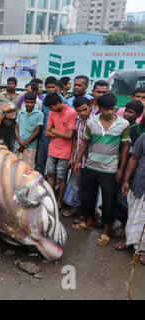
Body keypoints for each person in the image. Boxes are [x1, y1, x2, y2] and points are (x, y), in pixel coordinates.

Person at [72, 93, 130, 247]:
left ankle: (105, 232)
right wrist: (77, 161)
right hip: (90, 167)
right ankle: (89, 222)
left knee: (108, 202)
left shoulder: (123, 124)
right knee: (88, 198)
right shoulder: (91, 122)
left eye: (112, 108)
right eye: (106, 109)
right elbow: (85, 143)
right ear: (100, 108)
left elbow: (125, 148)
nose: (110, 112)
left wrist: (120, 170)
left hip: (110, 170)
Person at [115, 133, 145, 265]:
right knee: (134, 213)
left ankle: (142, 250)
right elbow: (134, 158)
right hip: (140, 183)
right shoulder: (143, 137)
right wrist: (126, 180)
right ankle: (129, 240)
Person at [44, 93, 77, 210]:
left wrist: (54, 131)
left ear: (58, 103)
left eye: (51, 107)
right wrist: (59, 133)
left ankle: (59, 201)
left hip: (65, 152)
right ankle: (50, 199)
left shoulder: (72, 113)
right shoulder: (53, 113)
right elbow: (46, 133)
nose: (50, 110)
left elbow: (69, 135)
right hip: (52, 150)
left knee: (62, 178)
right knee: (51, 174)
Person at [63, 96, 93, 218]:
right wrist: (72, 158)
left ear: (90, 107)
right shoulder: (78, 121)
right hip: (77, 160)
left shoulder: (93, 122)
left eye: (85, 110)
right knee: (76, 187)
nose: (82, 113)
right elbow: (76, 141)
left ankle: (84, 213)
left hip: (89, 161)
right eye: (79, 111)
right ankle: (76, 209)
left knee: (87, 189)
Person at [14, 92, 44, 169]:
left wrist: (25, 144)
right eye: (27, 102)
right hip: (18, 145)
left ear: (35, 102)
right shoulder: (21, 113)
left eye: (32, 102)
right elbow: (16, 128)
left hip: (31, 147)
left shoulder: (39, 114)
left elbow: (37, 131)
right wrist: (20, 142)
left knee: (28, 169)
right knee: (16, 168)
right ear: (24, 102)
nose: (30, 104)